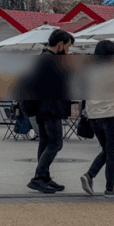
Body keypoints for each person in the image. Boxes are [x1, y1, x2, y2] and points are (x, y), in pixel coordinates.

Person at [20, 29, 74, 194]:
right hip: (51, 108)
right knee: (56, 143)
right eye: (67, 47)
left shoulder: (41, 58)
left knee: (44, 143)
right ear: (60, 45)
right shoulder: (53, 62)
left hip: (40, 109)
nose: (68, 51)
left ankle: (44, 177)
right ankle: (38, 178)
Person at [81, 40, 114, 198]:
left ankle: (89, 176)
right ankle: (109, 189)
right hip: (111, 115)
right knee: (113, 152)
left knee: (107, 150)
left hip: (93, 116)